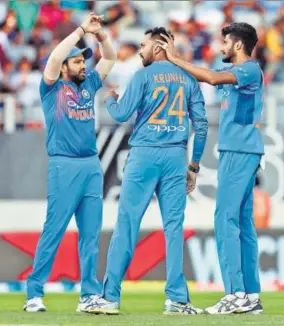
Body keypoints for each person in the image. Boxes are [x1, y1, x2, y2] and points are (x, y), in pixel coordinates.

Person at [85, 27, 208, 316]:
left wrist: (111, 99)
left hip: (144, 156)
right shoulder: (189, 79)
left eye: (143, 45)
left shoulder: (142, 76)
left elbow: (120, 114)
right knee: (174, 229)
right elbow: (201, 126)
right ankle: (177, 300)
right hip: (177, 157)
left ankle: (110, 298)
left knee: (127, 226)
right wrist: (194, 166)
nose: (140, 51)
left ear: (157, 48)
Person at [157, 22, 264, 315]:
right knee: (242, 224)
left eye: (225, 42)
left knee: (225, 219)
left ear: (238, 45)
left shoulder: (248, 69)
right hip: (242, 151)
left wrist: (175, 59)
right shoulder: (241, 75)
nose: (221, 47)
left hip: (238, 151)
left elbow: (213, 79)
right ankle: (250, 295)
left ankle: (235, 293)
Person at [23, 12, 116, 313]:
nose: (83, 65)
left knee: (90, 235)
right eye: (77, 61)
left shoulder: (88, 83)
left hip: (91, 165)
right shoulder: (51, 87)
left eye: (83, 61)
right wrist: (80, 31)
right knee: (54, 230)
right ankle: (34, 293)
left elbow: (111, 57)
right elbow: (53, 57)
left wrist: (99, 35)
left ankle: (89, 295)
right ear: (64, 66)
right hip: (63, 166)